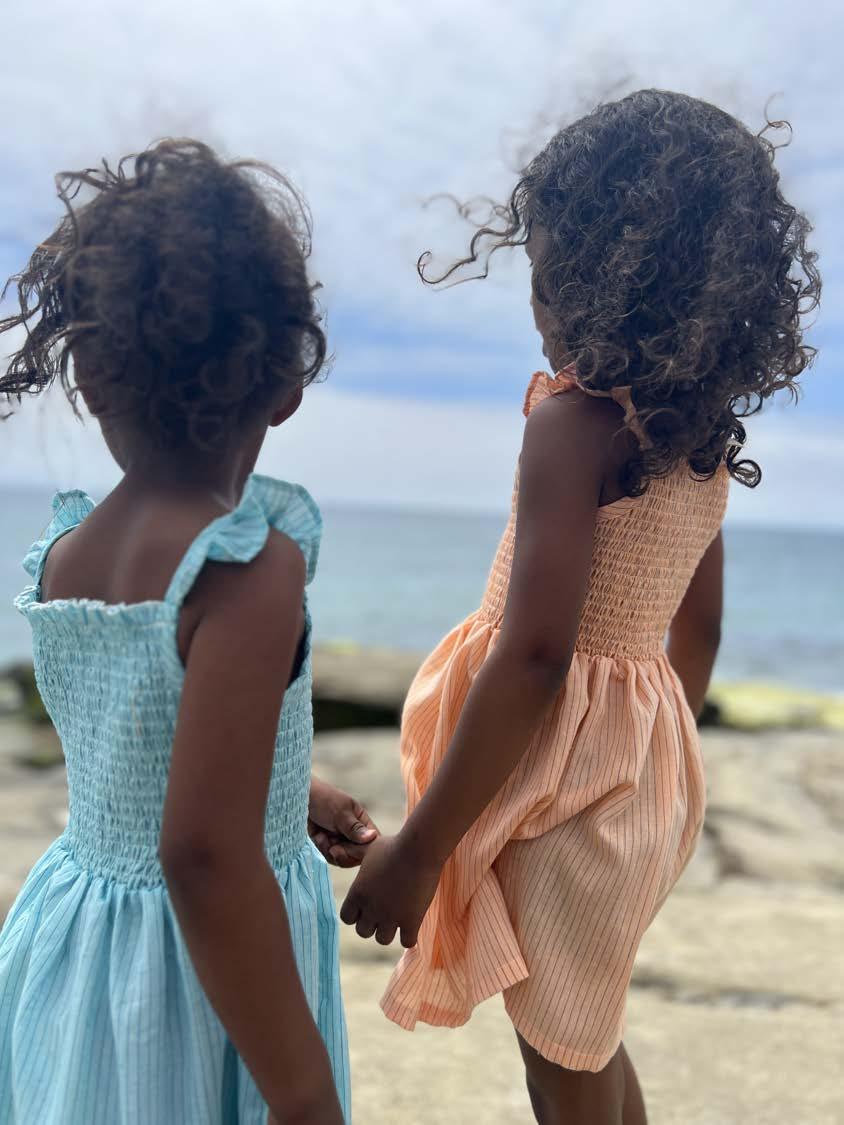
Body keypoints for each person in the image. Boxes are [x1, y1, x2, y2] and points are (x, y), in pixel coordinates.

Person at [341, 90, 820, 1124]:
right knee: (580, 1027)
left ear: (597, 282)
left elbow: (534, 655)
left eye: (543, 273)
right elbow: (699, 628)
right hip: (635, 776)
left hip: (556, 780)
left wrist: (420, 850)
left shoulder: (572, 422)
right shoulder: (698, 438)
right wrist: (649, 759)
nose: (537, 303)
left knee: (562, 1056)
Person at [0, 140, 376, 1124]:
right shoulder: (248, 566)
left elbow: (141, 742)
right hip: (196, 975)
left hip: (77, 941)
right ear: (287, 382)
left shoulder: (67, 554)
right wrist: (301, 1089)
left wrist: (287, 789)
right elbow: (204, 856)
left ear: (88, 373)